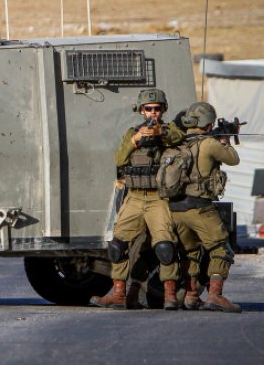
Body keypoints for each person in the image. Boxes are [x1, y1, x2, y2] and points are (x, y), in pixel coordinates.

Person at [91, 89, 185, 310]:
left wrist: (159, 134)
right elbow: (120, 158)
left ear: (163, 110)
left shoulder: (168, 131)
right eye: (149, 109)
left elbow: (177, 137)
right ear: (141, 111)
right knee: (117, 245)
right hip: (134, 197)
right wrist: (135, 140)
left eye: (157, 109)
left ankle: (170, 295)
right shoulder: (132, 132)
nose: (153, 113)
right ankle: (119, 293)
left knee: (164, 246)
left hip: (157, 198)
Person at [170, 102, 242, 313]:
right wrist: (225, 141)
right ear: (209, 125)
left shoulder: (176, 143)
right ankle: (215, 296)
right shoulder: (210, 144)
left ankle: (191, 296)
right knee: (221, 248)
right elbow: (233, 160)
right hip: (200, 208)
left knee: (190, 252)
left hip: (176, 209)